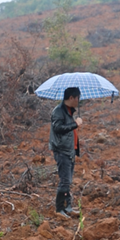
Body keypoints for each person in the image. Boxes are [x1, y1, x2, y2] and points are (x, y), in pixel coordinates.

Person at [50, 87, 82, 219]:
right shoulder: (58, 111)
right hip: (62, 150)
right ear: (71, 98)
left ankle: (67, 206)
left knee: (68, 181)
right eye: (77, 98)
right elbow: (57, 128)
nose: (78, 101)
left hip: (70, 150)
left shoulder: (69, 111)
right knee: (65, 180)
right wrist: (75, 124)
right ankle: (59, 209)